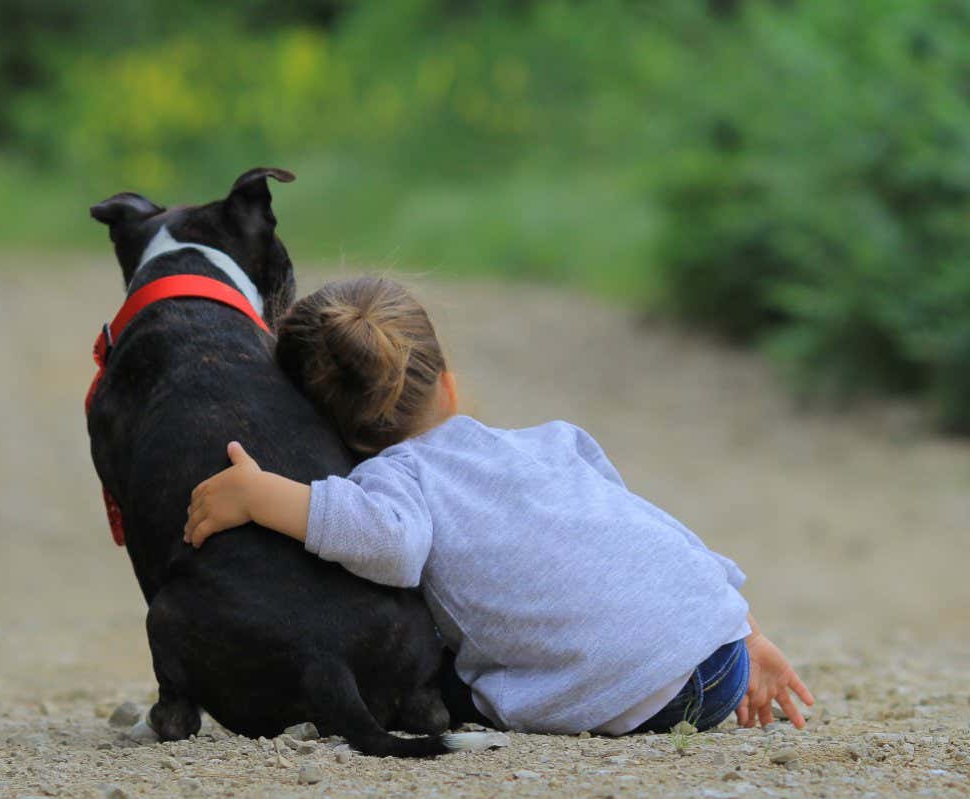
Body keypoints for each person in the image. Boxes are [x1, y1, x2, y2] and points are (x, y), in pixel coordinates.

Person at [183, 276, 813, 735]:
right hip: (722, 659)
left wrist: (266, 495)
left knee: (438, 670)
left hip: (636, 700)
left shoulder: (396, 478)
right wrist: (744, 630)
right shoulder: (557, 442)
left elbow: (389, 543)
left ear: (333, 437)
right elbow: (645, 533)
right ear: (448, 383)